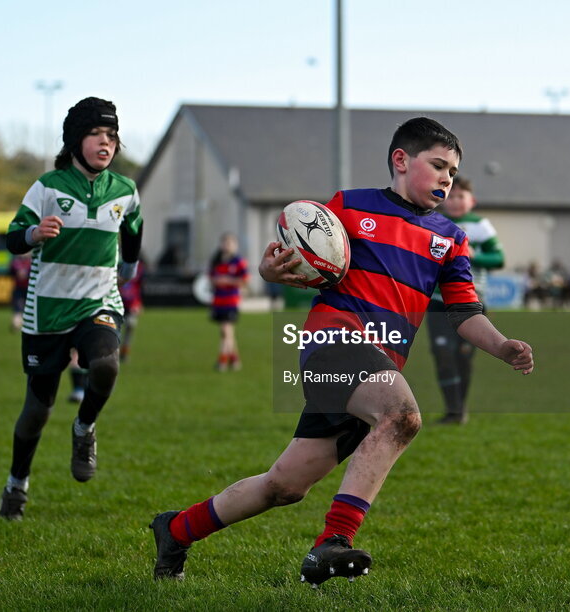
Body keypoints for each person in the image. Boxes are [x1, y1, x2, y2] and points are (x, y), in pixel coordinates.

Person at [149, 117, 534, 586]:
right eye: (437, 166)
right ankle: (333, 541)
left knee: (284, 485)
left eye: (452, 172)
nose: (446, 178)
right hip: (333, 343)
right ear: (400, 160)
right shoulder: (347, 208)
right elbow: (288, 262)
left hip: (378, 365)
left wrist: (502, 345)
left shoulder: (450, 239)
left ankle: (175, 530)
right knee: (402, 416)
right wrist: (273, 271)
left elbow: (464, 312)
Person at [0, 97, 143, 520]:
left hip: (98, 303)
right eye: (96, 134)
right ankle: (16, 484)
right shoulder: (47, 187)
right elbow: (11, 238)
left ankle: (84, 427)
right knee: (36, 411)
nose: (105, 142)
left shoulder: (126, 191)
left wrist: (128, 270)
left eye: (112, 136)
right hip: (47, 313)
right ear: (76, 139)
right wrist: (33, 234)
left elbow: (133, 233)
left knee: (106, 366)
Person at [426, 176, 503, 424]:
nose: (456, 201)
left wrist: (472, 255)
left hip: (472, 302)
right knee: (441, 353)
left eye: (461, 196)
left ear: (472, 200)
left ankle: (460, 410)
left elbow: (499, 259)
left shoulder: (480, 226)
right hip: (438, 301)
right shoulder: (433, 222)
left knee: (462, 356)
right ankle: (453, 410)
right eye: (452, 196)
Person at [208, 233, 248, 371]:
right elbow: (211, 278)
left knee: (226, 331)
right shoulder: (216, 261)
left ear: (235, 245)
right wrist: (216, 281)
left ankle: (222, 360)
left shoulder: (238, 262)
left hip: (231, 301)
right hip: (219, 301)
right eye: (225, 243)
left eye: (230, 243)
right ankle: (235, 360)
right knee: (226, 332)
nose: (227, 246)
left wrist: (227, 280)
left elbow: (244, 281)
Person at [119, 257, 145, 363]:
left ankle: (124, 351)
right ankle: (113, 352)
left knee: (130, 325)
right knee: (115, 329)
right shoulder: (115, 263)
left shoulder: (139, 268)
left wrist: (139, 303)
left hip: (131, 303)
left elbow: (139, 287)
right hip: (118, 301)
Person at [9, 252, 31, 332]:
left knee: (20, 309)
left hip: (26, 289)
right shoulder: (16, 263)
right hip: (21, 289)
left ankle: (17, 323)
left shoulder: (16, 263)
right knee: (18, 309)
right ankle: (17, 323)